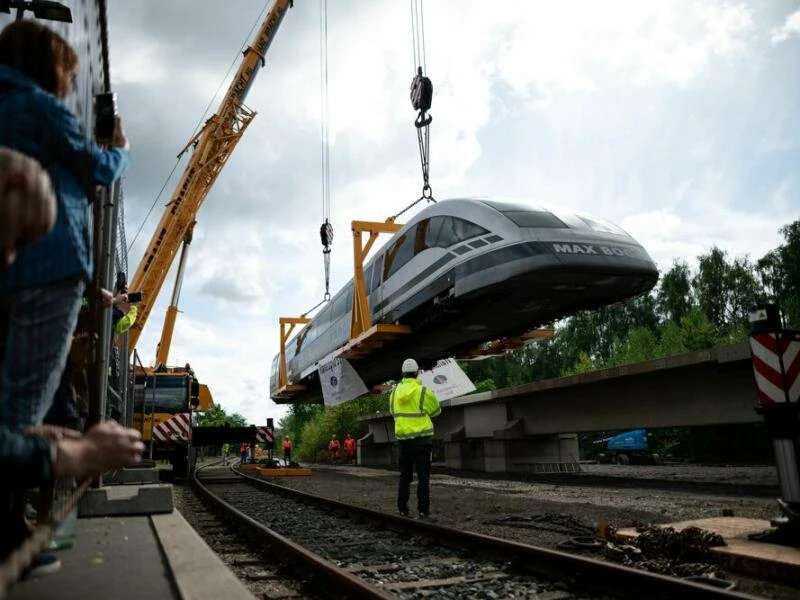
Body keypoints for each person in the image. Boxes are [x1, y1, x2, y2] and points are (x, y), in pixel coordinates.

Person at [0, 19, 131, 430]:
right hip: (52, 261)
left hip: (10, 259)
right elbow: (98, 168)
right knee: (27, 403)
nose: (72, 85)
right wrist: (121, 149)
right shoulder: (41, 107)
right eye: (69, 73)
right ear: (46, 66)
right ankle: (28, 476)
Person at [390, 358, 441, 519]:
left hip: (404, 442)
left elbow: (393, 413)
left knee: (405, 476)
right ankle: (423, 510)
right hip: (422, 441)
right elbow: (436, 411)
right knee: (423, 476)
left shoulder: (394, 393)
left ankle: (402, 508)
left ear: (403, 374)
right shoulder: (424, 392)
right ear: (417, 373)